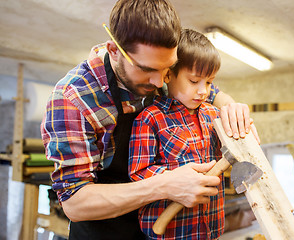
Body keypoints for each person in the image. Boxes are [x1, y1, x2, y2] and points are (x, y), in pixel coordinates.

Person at [41, 0, 259, 239]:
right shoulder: (73, 99)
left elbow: (214, 94)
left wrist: (232, 110)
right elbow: (75, 204)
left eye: (168, 68)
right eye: (147, 70)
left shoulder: (164, 72)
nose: (159, 82)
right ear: (114, 50)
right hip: (104, 231)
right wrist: (164, 185)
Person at [129, 28, 225, 239]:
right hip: (170, 230)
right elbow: (138, 173)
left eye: (209, 82)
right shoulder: (150, 118)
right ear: (168, 74)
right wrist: (173, 180)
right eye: (194, 81)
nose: (204, 91)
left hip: (211, 226)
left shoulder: (213, 115)